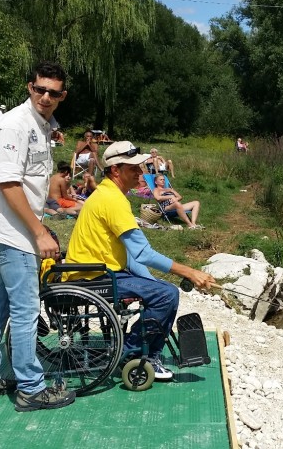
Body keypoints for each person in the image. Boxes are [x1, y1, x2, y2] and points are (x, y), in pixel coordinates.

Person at [0, 61, 76, 412]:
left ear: (62, 95)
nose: (45, 96)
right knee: (26, 310)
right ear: (30, 87)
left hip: (15, 229)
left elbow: (31, 183)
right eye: (40, 89)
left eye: (53, 92)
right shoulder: (14, 124)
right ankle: (31, 387)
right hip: (13, 232)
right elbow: (9, 184)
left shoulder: (41, 125)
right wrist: (39, 231)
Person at [65, 141, 216, 380]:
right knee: (166, 294)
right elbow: (143, 253)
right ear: (116, 170)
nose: (141, 173)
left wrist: (152, 281)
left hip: (99, 271)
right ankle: (130, 352)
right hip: (92, 276)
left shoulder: (108, 194)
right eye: (134, 169)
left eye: (141, 167)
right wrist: (189, 272)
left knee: (163, 290)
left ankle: (146, 351)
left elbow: (130, 254)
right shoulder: (112, 200)